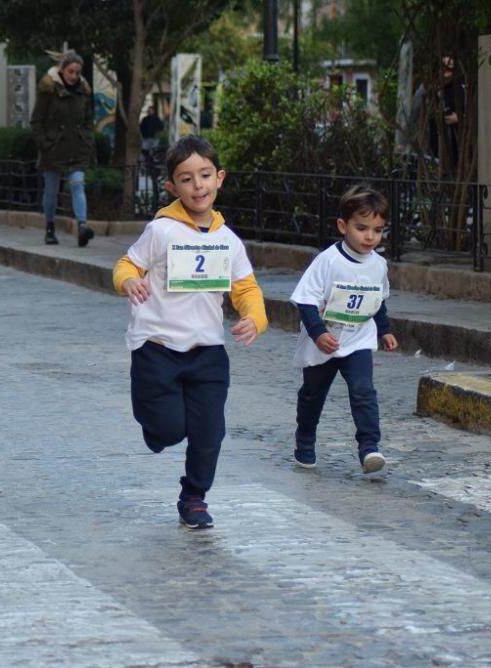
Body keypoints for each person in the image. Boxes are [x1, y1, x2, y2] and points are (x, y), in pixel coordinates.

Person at [112, 136, 268, 529]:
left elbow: (246, 289)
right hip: (157, 346)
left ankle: (194, 496)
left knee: (209, 430)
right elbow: (127, 264)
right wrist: (128, 282)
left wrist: (255, 318)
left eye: (204, 176)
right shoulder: (161, 230)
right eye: (186, 178)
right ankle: (154, 425)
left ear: (219, 179)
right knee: (167, 429)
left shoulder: (227, 240)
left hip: (208, 350)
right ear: (172, 187)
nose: (197, 186)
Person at [289, 184, 399, 474]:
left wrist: (384, 329)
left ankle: (369, 448)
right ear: (343, 225)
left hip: (358, 338)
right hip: (324, 341)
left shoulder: (378, 265)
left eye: (377, 230)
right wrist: (318, 333)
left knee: (364, 392)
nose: (369, 236)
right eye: (362, 228)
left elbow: (378, 299)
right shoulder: (327, 261)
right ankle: (305, 439)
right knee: (313, 394)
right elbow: (305, 300)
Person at [30, 50, 96, 247]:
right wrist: (45, 143)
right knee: (51, 190)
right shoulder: (48, 90)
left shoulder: (83, 91)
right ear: (62, 70)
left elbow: (87, 120)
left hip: (76, 147)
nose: (74, 76)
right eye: (71, 72)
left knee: (77, 184)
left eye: (77, 72)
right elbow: (36, 120)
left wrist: (86, 139)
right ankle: (50, 227)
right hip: (54, 147)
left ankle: (82, 227)